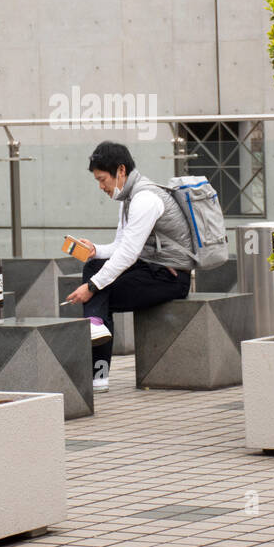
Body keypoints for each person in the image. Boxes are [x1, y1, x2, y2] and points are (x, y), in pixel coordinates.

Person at [64, 141, 195, 392]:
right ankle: (95, 328)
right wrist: (95, 250)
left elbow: (127, 254)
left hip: (171, 278)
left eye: (103, 179)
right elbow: (119, 246)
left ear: (120, 171)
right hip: (151, 269)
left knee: (100, 291)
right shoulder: (129, 198)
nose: (101, 187)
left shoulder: (145, 199)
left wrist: (91, 287)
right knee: (94, 265)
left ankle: (98, 371)